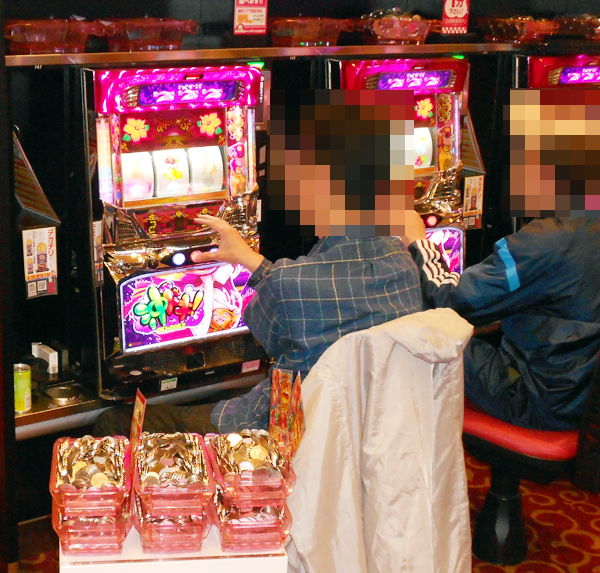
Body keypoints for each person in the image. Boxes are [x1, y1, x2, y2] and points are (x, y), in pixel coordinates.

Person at [94, 88, 421, 437]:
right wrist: (251, 260)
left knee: (111, 421)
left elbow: (266, 336)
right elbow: (313, 288)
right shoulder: (406, 266)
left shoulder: (290, 285)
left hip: (270, 433)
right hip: (363, 436)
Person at [406, 212, 600, 431]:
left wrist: (419, 242)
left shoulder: (551, 239)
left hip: (543, 402)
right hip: (581, 396)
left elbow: (447, 301)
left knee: (418, 325)